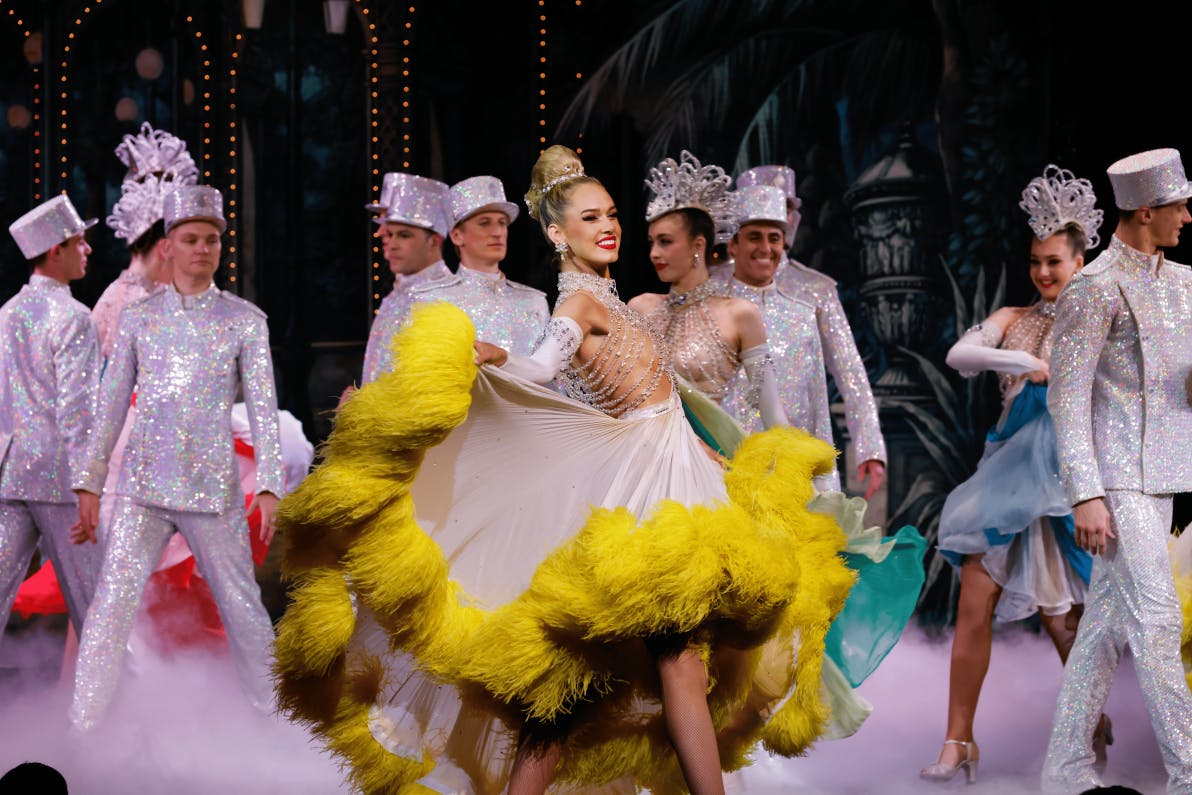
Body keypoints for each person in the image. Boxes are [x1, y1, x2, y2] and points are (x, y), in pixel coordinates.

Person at [273, 145, 855, 795]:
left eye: (611, 214)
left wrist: (716, 457)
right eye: (588, 218)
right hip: (642, 491)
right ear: (557, 233)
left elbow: (645, 397)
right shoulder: (579, 304)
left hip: (673, 468)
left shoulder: (615, 299)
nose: (608, 227)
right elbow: (541, 368)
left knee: (585, 686)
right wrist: (492, 354)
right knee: (667, 661)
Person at [68, 185, 285, 731]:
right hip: (142, 490)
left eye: (212, 240)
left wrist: (270, 486)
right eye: (191, 239)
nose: (203, 249)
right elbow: (111, 404)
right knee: (108, 610)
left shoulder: (245, 320)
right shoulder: (140, 318)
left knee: (246, 614)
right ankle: (81, 730)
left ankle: (278, 725)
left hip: (212, 491)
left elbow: (264, 408)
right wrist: (90, 483)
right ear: (168, 246)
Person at [922, 166, 1102, 784]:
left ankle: (1092, 729)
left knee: (1063, 621)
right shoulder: (1015, 316)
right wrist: (1024, 358)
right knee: (975, 602)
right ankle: (957, 741)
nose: (1044, 273)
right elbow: (960, 355)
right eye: (1035, 261)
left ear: (1081, 260)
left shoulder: (1098, 320)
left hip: (1066, 486)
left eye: (1054, 261)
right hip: (1004, 487)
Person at [1041, 148, 1192, 794]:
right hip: (1116, 480)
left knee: (1103, 628)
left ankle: (1065, 766)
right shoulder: (1094, 287)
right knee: (1157, 619)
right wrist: (1086, 494)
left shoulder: (1184, 283)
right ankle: (1189, 770)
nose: (1188, 215)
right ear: (1146, 210)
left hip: (1163, 475)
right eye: (1179, 205)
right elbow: (1066, 397)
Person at [716, 165, 886, 497]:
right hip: (729, 446)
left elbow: (849, 369)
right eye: (754, 234)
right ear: (734, 241)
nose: (766, 245)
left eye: (787, 212)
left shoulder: (814, 290)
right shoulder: (712, 289)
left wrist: (870, 446)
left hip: (799, 442)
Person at [0, 196, 102, 642]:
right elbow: (78, 411)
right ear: (55, 251)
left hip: (10, 472)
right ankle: (127, 708)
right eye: (79, 241)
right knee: (97, 606)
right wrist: (88, 485)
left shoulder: (6, 314)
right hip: (61, 479)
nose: (88, 250)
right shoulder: (75, 318)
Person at [627, 151, 785, 430]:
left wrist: (802, 466)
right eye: (652, 242)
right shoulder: (640, 308)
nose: (654, 253)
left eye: (665, 242)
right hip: (643, 453)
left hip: (705, 457)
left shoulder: (739, 314)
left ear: (698, 246)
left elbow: (773, 418)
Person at [411, 176, 550, 355]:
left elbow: (547, 376)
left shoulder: (534, 302)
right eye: (484, 223)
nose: (497, 232)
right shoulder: (431, 300)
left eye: (502, 223)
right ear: (456, 236)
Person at [360, 173, 453, 385]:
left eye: (403, 235)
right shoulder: (396, 295)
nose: (391, 245)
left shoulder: (448, 297)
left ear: (435, 241)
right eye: (388, 236)